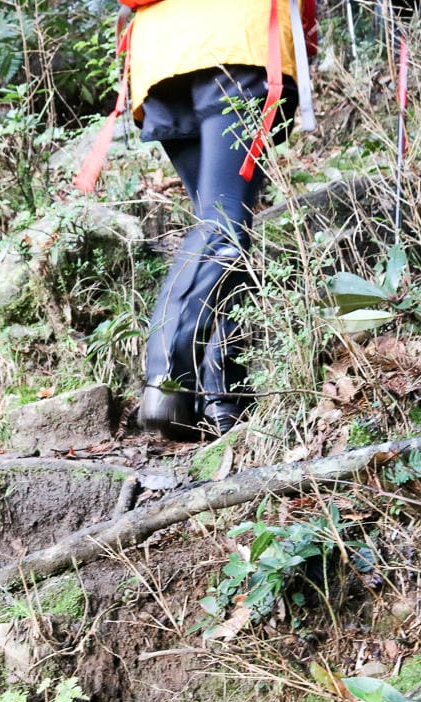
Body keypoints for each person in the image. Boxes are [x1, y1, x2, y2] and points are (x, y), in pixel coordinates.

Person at [123, 0, 304, 439]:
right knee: (223, 226)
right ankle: (168, 376)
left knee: (221, 223)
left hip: (162, 56)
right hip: (237, 42)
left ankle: (224, 399)